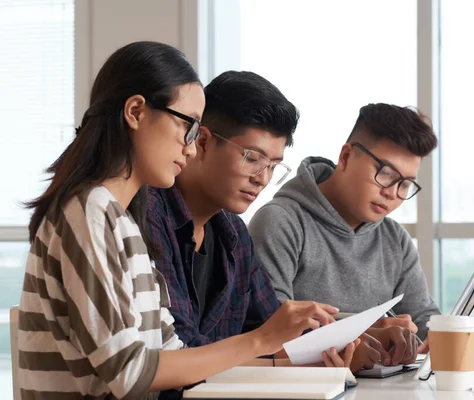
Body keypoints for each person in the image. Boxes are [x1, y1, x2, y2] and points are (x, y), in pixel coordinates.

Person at [18, 41, 350, 399]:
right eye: (188, 127)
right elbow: (129, 372)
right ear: (136, 111)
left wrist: (294, 364)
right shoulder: (90, 210)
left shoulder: (125, 221)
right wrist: (262, 340)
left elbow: (177, 360)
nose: (191, 148)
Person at [147, 71, 418, 377]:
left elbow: (273, 330)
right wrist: (306, 359)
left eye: (274, 166)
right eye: (252, 158)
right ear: (204, 141)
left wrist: (354, 341)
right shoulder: (149, 217)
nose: (262, 178)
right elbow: (181, 355)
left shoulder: (232, 233)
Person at [249, 103, 441, 350]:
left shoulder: (395, 239)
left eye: (404, 185)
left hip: (378, 386)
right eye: (385, 173)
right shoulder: (281, 222)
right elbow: (269, 329)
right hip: (304, 386)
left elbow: (422, 319)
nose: (392, 193)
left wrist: (443, 334)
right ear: (346, 156)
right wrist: (366, 334)